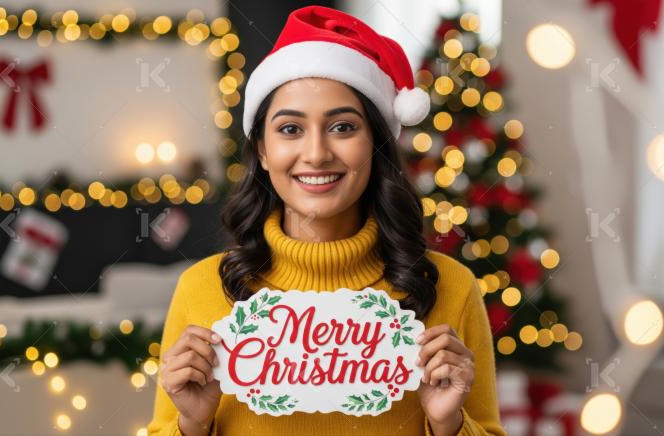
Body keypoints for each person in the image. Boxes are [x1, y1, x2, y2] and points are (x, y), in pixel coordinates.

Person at [147, 5, 505, 436]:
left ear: (375, 144)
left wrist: (449, 424)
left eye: (342, 127)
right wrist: (192, 424)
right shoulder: (200, 289)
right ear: (262, 151)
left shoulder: (452, 288)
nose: (316, 154)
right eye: (290, 129)